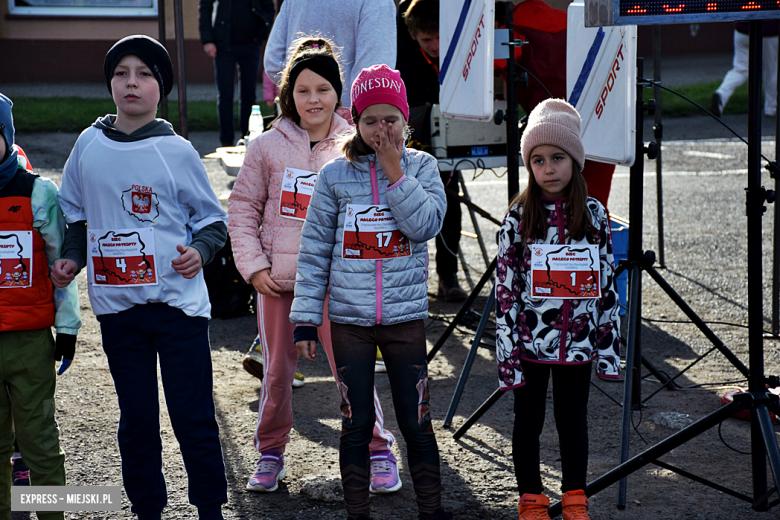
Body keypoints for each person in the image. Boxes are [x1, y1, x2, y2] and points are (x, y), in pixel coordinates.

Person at [52, 35, 229, 520]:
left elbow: (213, 221)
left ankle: (209, 508)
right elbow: (78, 216)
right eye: (121, 73)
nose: (132, 82)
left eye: (144, 74)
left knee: (193, 417)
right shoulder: (88, 145)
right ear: (110, 83)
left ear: (161, 87)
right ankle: (147, 508)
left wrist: (199, 251)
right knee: (136, 421)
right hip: (118, 310)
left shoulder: (178, 151)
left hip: (179, 309)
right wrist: (73, 258)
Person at [228, 37, 400, 495]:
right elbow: (243, 208)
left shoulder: (356, 146)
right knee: (277, 372)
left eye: (323, 89)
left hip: (337, 286)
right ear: (289, 94)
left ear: (338, 94)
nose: (313, 100)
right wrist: (253, 266)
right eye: (303, 90)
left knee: (351, 369)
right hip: (277, 284)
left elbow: (376, 212)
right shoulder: (266, 147)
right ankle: (270, 452)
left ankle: (377, 448)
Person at [291, 64, 452, 520]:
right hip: (349, 322)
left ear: (406, 121)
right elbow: (315, 250)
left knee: (416, 423)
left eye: (391, 119)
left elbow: (425, 225)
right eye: (370, 120)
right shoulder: (334, 177)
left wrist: (394, 170)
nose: (381, 129)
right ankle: (357, 512)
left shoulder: (422, 167)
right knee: (355, 423)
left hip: (404, 319)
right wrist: (305, 319)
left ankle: (432, 511)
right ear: (355, 122)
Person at [494, 99, 621, 520]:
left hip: (579, 344)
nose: (548, 169)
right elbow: (506, 290)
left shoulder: (596, 216)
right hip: (530, 343)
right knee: (527, 421)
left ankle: (574, 496)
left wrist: (608, 347)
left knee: (573, 421)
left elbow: (606, 286)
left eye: (558, 158)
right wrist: (507, 348)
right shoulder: (517, 218)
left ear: (575, 160)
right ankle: (530, 498)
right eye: (538, 160)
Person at [0, 93, 81, 520]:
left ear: (7, 137)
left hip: (29, 340)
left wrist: (67, 328)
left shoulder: (37, 193)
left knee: (39, 440)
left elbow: (59, 266)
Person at [496, 0, 616, 209]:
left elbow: (486, 68)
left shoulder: (512, 31)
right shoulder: (566, 19)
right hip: (601, 117)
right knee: (594, 207)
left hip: (554, 130)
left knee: (553, 209)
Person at [396, 0, 467, 302]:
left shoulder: (458, 40)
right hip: (405, 136)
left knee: (449, 197)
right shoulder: (399, 43)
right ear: (412, 35)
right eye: (428, 40)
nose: (436, 45)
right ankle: (401, 279)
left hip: (448, 132)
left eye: (440, 37)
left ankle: (447, 274)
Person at [263, 0, 397, 107]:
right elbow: (375, 77)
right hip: (349, 127)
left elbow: (273, 61)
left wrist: (303, 95)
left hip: (301, 122)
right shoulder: (378, 3)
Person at [199, 0, 276, 146]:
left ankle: (248, 139)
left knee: (249, 94)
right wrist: (207, 40)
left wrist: (263, 31)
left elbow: (269, 8)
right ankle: (226, 141)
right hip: (223, 45)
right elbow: (205, 8)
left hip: (251, 43)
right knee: (225, 94)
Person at [712, 21, 779, 119]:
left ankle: (722, 93)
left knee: (740, 69)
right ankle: (771, 108)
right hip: (769, 31)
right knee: (772, 70)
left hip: (743, 30)